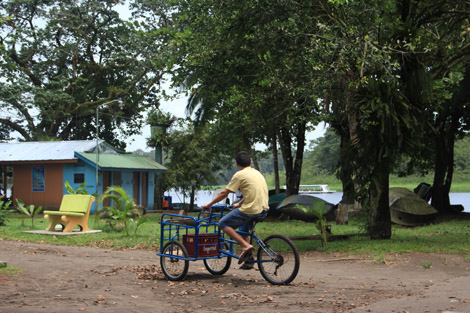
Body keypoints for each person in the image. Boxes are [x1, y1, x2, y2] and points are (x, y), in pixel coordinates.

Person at [203, 151, 269, 266]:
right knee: (244, 229)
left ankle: (246, 246)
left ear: (237, 164)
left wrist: (209, 205)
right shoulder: (257, 173)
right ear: (251, 162)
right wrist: (239, 203)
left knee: (223, 223)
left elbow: (224, 193)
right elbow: (253, 193)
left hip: (251, 209)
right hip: (264, 209)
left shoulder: (239, 175)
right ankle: (249, 260)